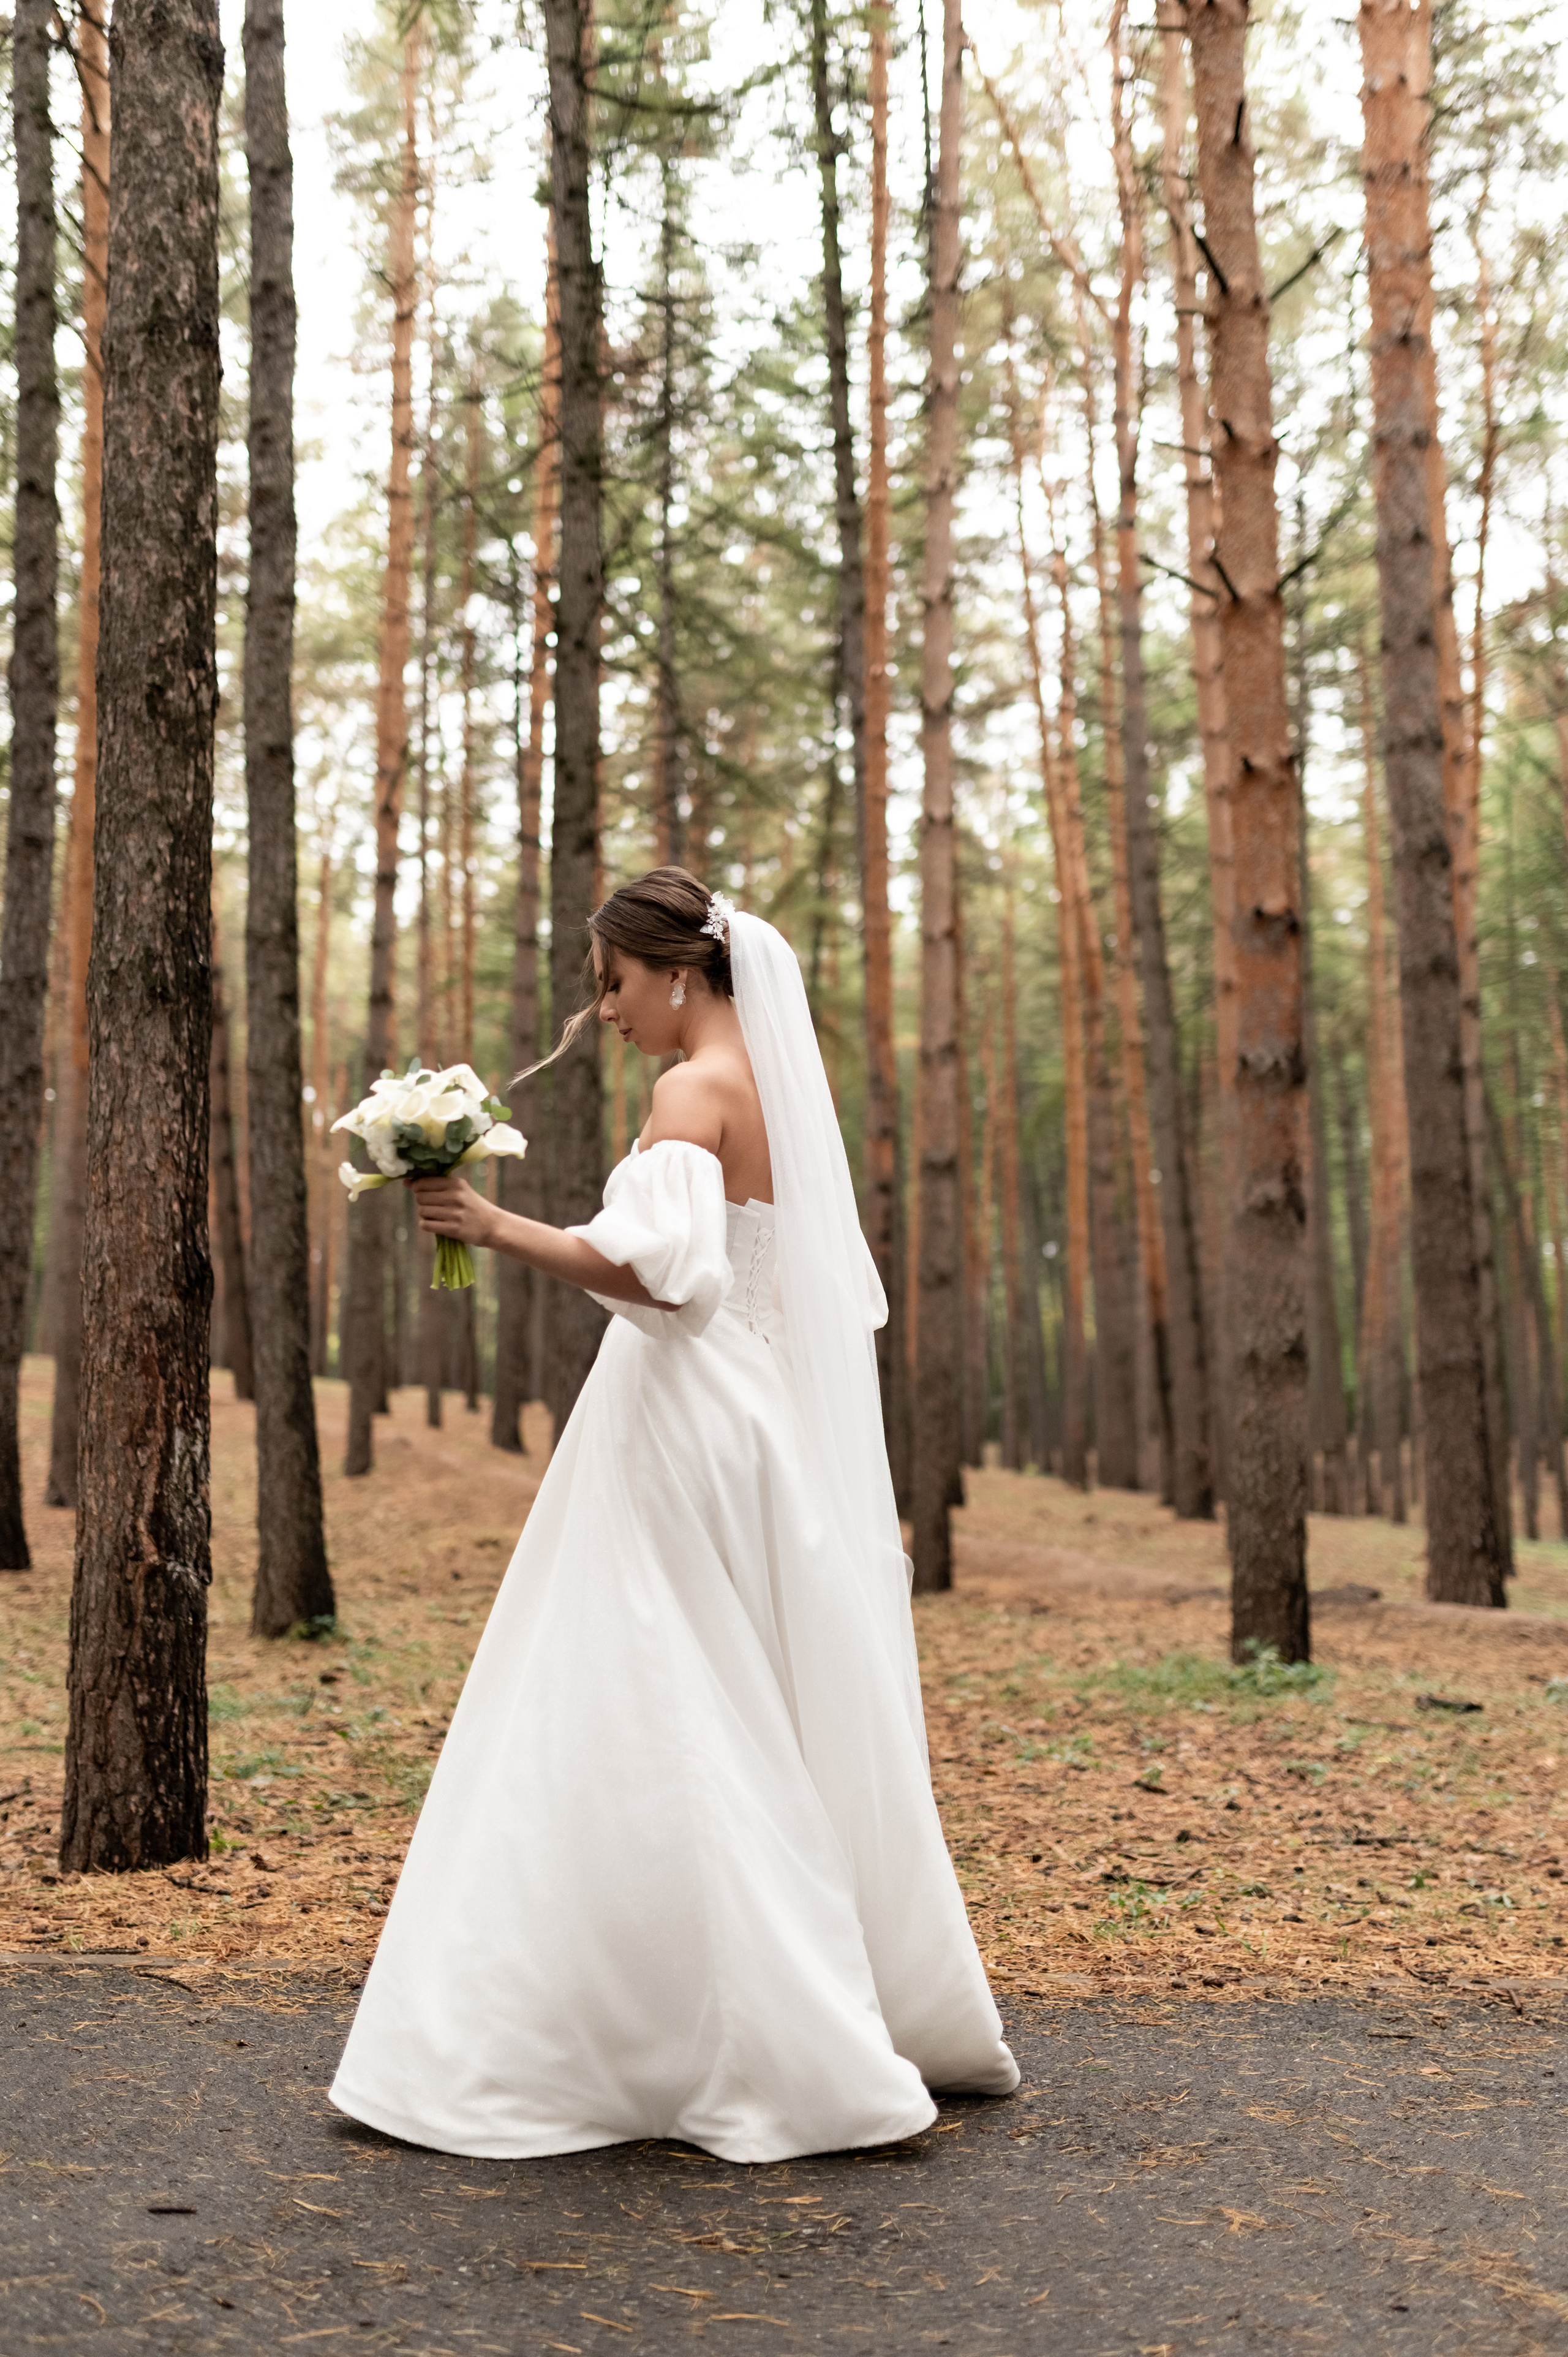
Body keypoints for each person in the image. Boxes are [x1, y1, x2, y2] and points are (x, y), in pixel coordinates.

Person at [330, 868, 1019, 2164]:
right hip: (747, 1416)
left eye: (616, 982)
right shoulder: (763, 1086)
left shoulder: (690, 1089)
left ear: (680, 973)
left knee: (664, 1696)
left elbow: (668, 1279)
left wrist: (489, 1221)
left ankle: (729, 2034)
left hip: (681, 1416)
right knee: (727, 1691)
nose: (606, 1010)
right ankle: (761, 2000)